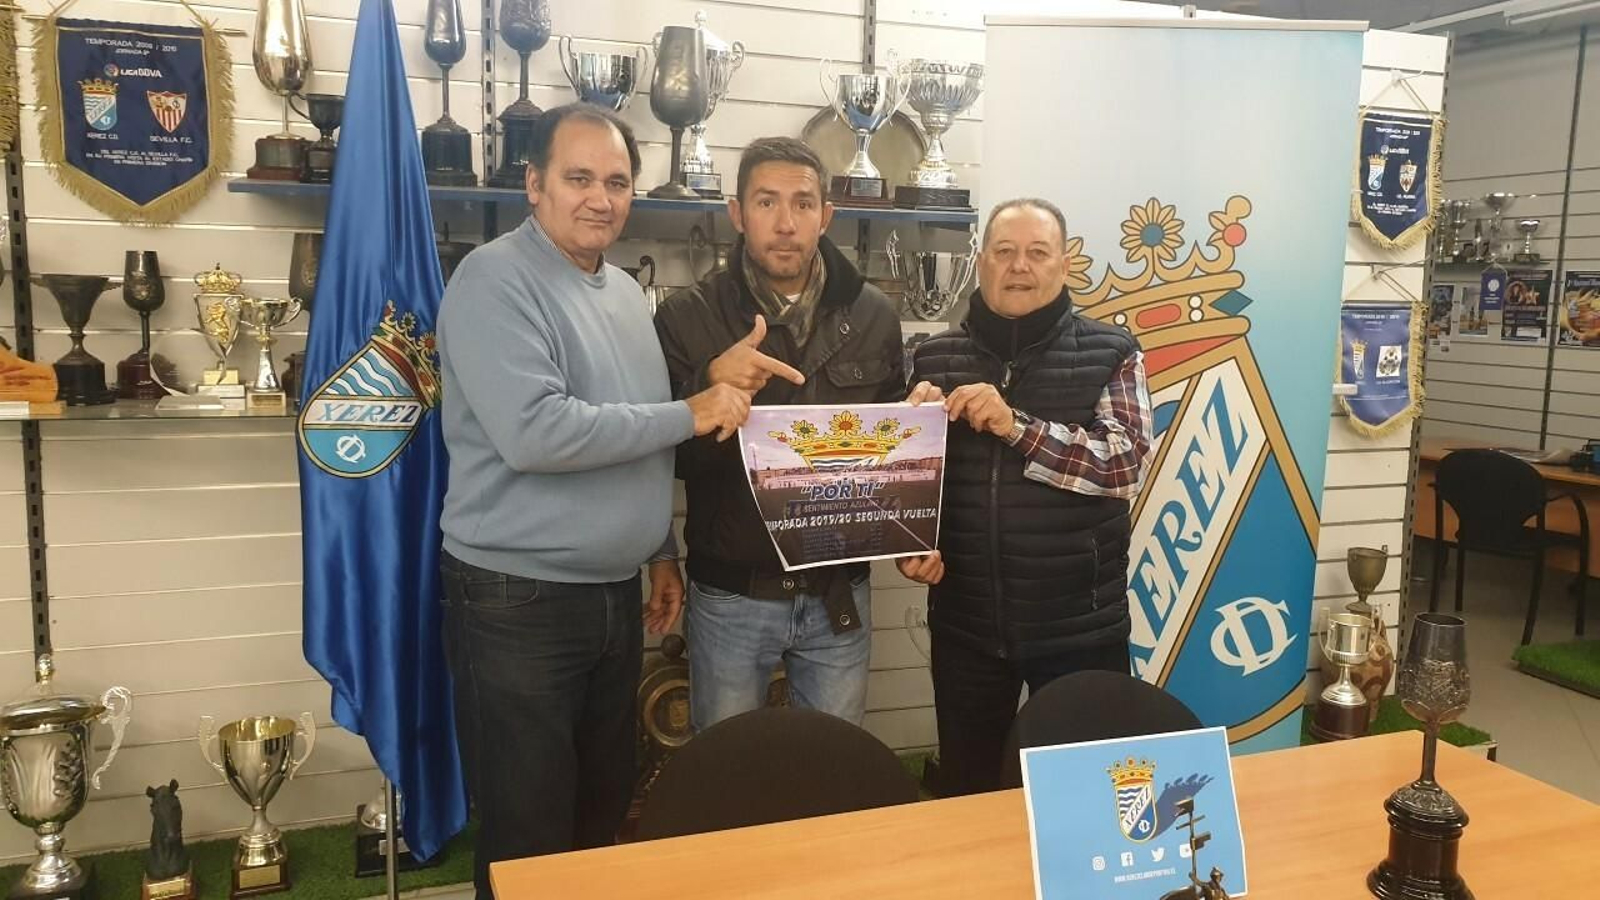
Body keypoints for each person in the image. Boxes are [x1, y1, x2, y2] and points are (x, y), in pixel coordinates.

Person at [435, 104, 750, 897]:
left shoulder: (618, 292)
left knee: (601, 814)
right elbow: (536, 434)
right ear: (534, 184)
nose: (599, 198)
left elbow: (629, 431)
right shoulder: (493, 280)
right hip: (518, 602)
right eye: (578, 178)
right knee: (530, 833)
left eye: (616, 182)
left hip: (611, 598)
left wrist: (660, 548)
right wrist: (696, 409)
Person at [900, 197, 1154, 796]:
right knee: (970, 793)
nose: (1020, 266)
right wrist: (908, 545)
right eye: (1004, 252)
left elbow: (1124, 464)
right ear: (980, 263)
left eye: (1037, 252)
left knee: (1088, 797)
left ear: (1064, 266)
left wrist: (1016, 426)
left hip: (1080, 630)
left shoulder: (1112, 351)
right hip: (965, 630)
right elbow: (910, 488)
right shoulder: (932, 358)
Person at [654, 137, 906, 731]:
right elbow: (661, 457)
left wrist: (914, 427)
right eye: (767, 203)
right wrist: (707, 386)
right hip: (732, 598)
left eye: (802, 203)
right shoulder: (686, 317)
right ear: (737, 213)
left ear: (827, 215)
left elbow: (890, 460)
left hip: (840, 595)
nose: (786, 223)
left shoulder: (875, 316)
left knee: (832, 776)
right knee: (725, 783)